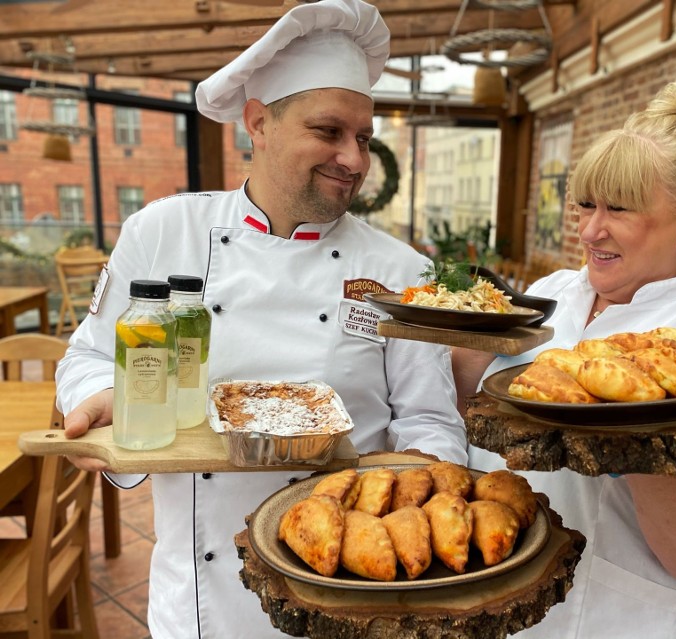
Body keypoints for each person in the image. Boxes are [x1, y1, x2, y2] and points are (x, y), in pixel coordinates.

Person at [55, 0, 467, 636]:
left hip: (350, 592)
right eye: (328, 131)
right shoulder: (164, 232)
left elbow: (430, 422)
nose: (355, 159)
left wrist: (409, 507)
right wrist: (108, 398)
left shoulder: (403, 269)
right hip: (201, 596)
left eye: (363, 138)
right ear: (258, 124)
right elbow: (85, 356)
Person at [453, 78, 676, 639]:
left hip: (622, 617)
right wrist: (459, 337)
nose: (591, 230)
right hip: (497, 592)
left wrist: (633, 436)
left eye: (620, 209)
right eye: (586, 205)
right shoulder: (552, 294)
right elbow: (486, 410)